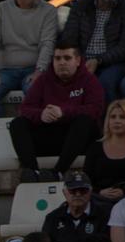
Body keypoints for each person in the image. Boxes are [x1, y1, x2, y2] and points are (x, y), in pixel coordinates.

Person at [9, 43, 105, 180]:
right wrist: (41, 115)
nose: (62, 62)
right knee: (17, 123)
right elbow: (25, 108)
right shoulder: (43, 80)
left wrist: (63, 112)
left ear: (77, 61)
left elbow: (96, 109)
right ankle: (32, 171)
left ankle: (58, 171)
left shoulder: (89, 80)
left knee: (85, 121)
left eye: (67, 58)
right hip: (51, 135)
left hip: (78, 140)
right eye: (57, 58)